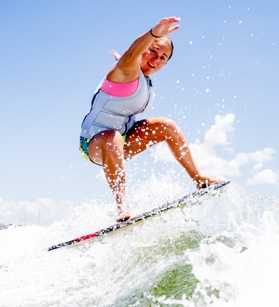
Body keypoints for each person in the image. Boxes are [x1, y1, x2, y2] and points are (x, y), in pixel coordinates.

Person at [80, 17, 221, 222]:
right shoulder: (125, 69)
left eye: (163, 57)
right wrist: (154, 33)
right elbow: (131, 55)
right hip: (95, 144)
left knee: (167, 125)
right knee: (112, 138)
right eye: (153, 51)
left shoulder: (144, 80)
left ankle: (199, 179)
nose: (156, 59)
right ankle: (122, 207)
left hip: (123, 140)